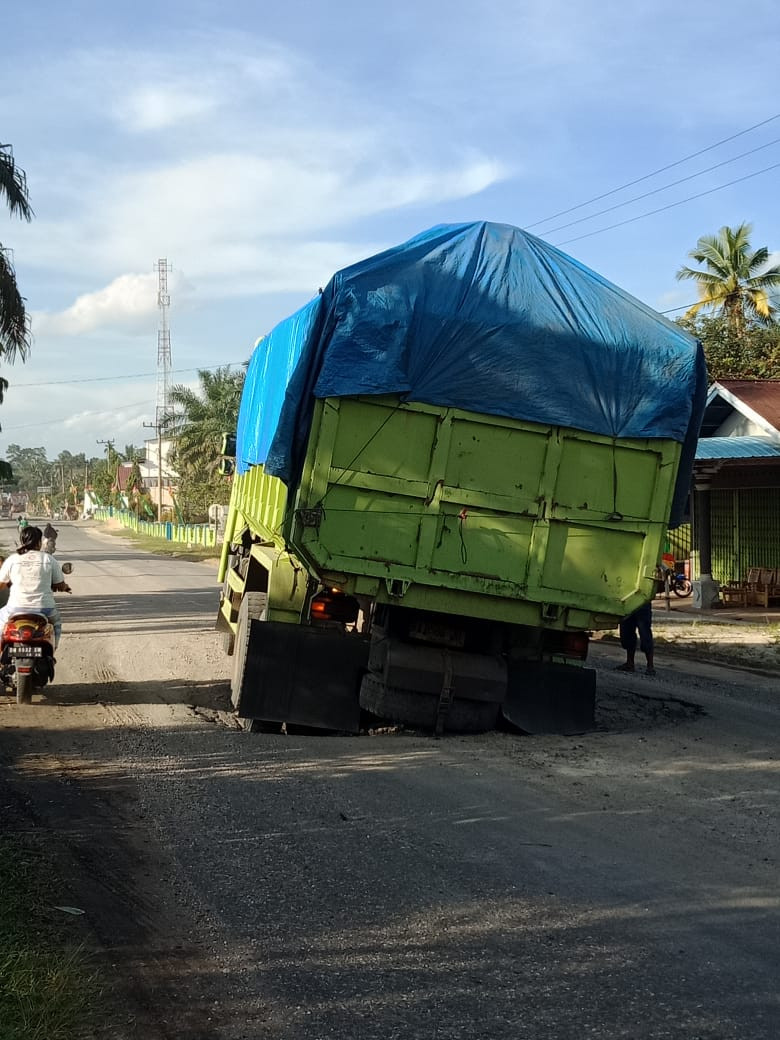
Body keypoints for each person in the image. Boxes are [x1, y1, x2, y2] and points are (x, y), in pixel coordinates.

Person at [0, 526, 71, 648]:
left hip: (15, 608)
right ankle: (53, 649)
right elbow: (59, 583)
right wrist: (65, 588)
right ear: (39, 542)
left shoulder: (13, 559)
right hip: (44, 608)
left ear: (22, 541)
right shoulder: (48, 559)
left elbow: (1, 583)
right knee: (57, 623)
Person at [616, 601, 655, 676]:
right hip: (628, 602)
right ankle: (630, 663)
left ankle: (650, 666)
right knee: (627, 632)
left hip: (641, 602)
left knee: (644, 633)